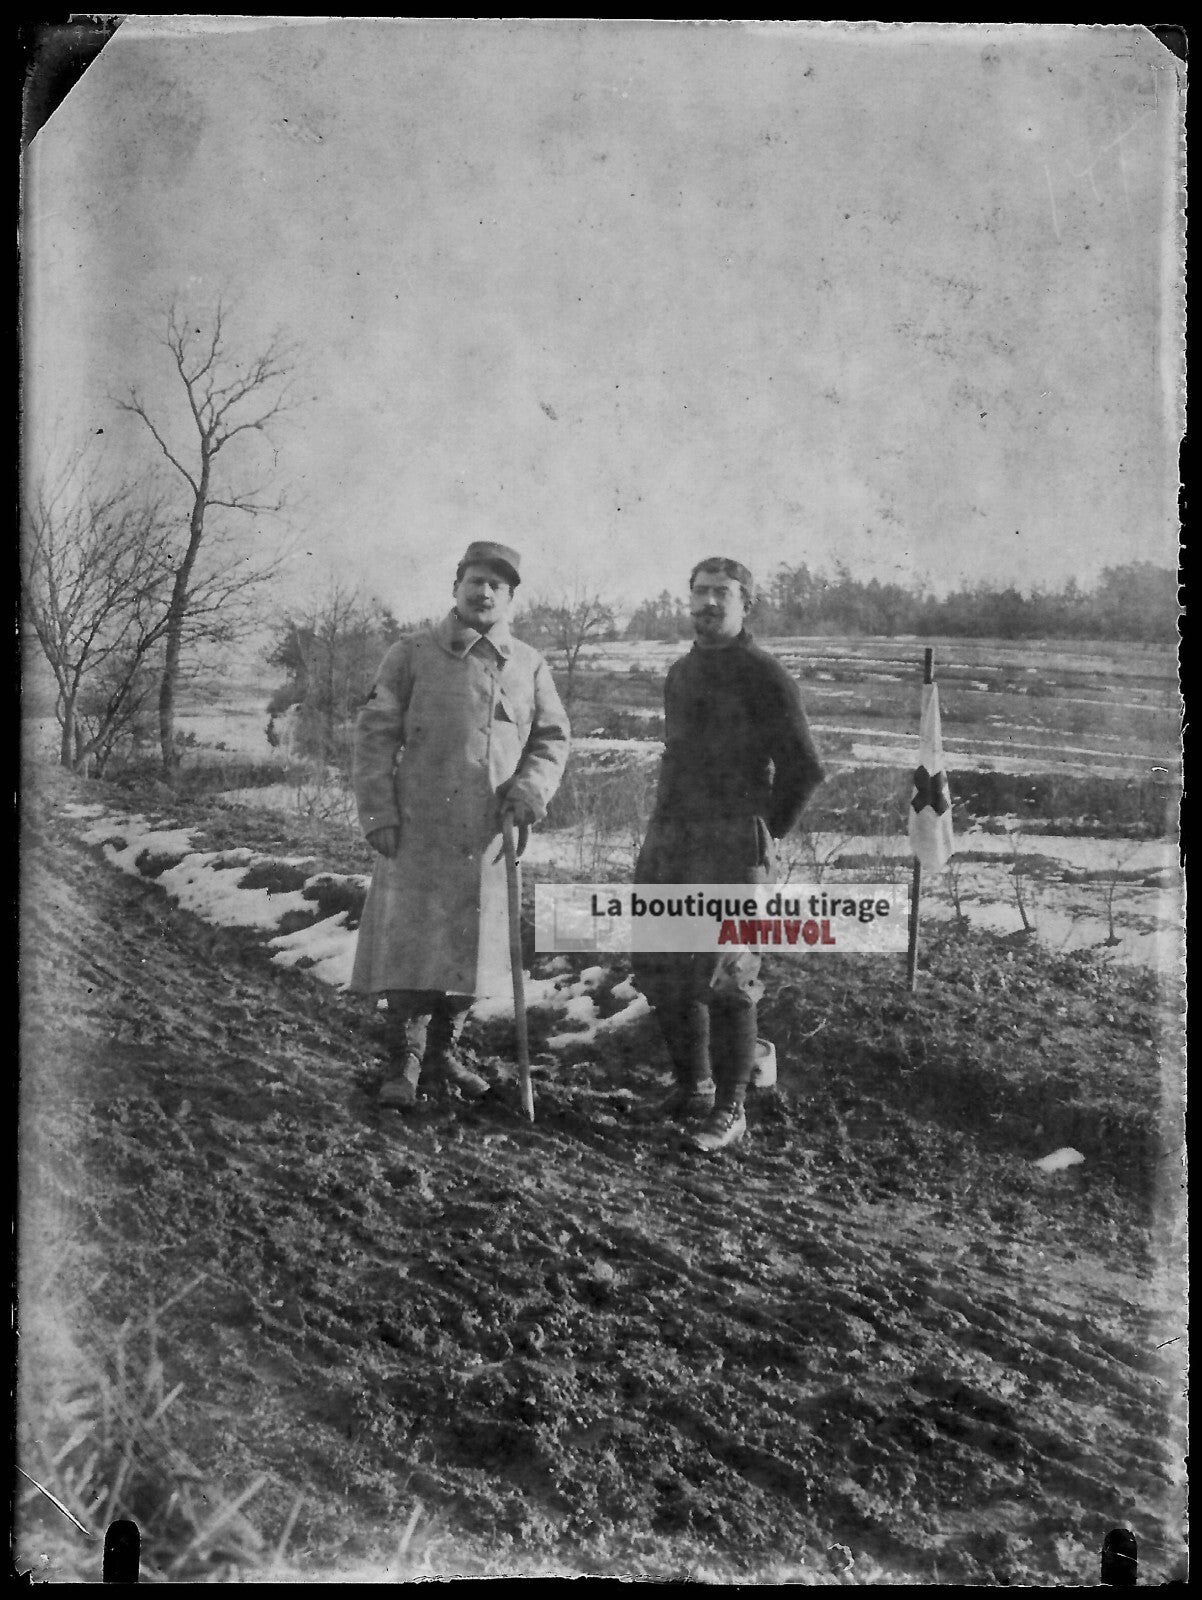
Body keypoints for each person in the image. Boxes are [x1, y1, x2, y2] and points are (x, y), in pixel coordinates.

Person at [351, 540, 570, 1108]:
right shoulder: (412, 654)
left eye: (497, 585)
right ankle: (404, 1063)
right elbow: (375, 734)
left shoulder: (529, 664)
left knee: (470, 952)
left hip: (488, 836)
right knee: (411, 945)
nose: (484, 591)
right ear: (455, 587)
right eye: (475, 580)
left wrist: (529, 792)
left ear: (511, 599)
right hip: (417, 829)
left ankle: (445, 1053)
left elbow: (551, 740)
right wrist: (378, 812)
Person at [632, 557, 825, 1151]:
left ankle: (731, 1107)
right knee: (661, 965)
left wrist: (762, 831)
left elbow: (805, 768)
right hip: (671, 839)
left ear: (746, 606)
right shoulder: (681, 674)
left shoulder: (763, 674)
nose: (709, 604)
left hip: (732, 842)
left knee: (725, 972)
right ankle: (692, 1086)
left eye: (723, 594)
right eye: (700, 593)